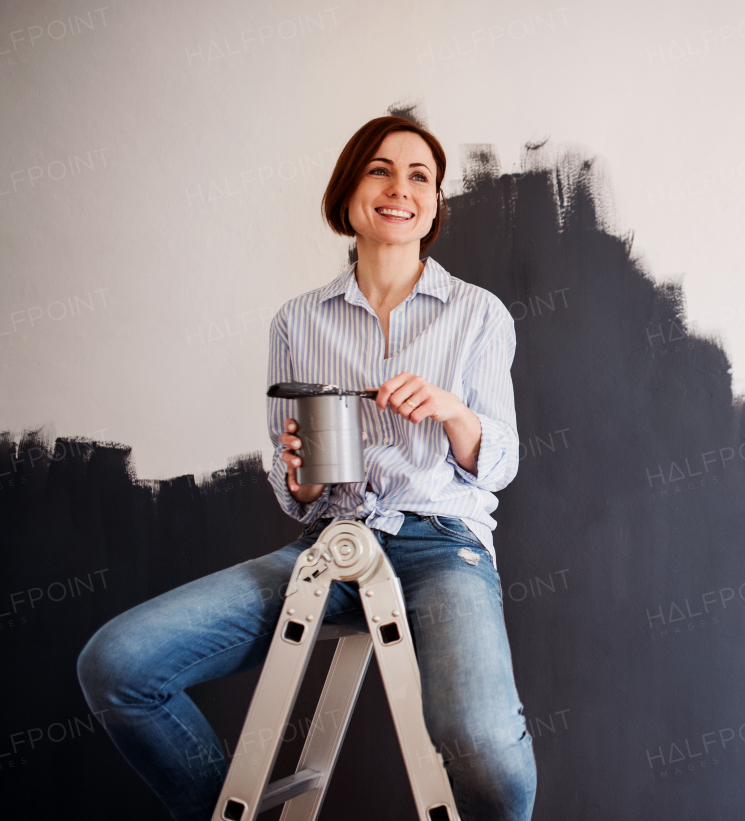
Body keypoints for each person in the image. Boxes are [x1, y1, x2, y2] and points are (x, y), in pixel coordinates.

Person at [76, 115, 536, 821]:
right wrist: (302, 478)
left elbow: (497, 463)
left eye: (421, 177)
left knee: (487, 753)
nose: (400, 189)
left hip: (443, 547)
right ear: (348, 191)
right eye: (380, 169)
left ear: (436, 204)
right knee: (117, 666)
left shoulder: (478, 315)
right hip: (328, 546)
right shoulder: (298, 321)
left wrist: (451, 410)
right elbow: (295, 490)